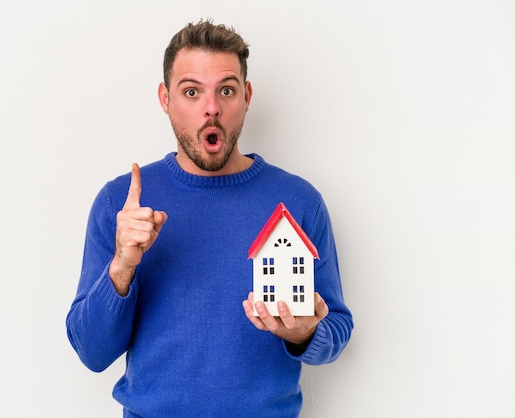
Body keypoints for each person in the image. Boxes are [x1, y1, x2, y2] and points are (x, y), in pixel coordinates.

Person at [66, 19, 353, 418]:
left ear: (247, 96)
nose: (211, 108)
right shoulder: (121, 203)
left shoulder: (298, 202)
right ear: (165, 98)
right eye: (191, 91)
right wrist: (121, 268)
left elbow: (336, 329)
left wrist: (304, 333)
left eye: (227, 90)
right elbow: (91, 352)